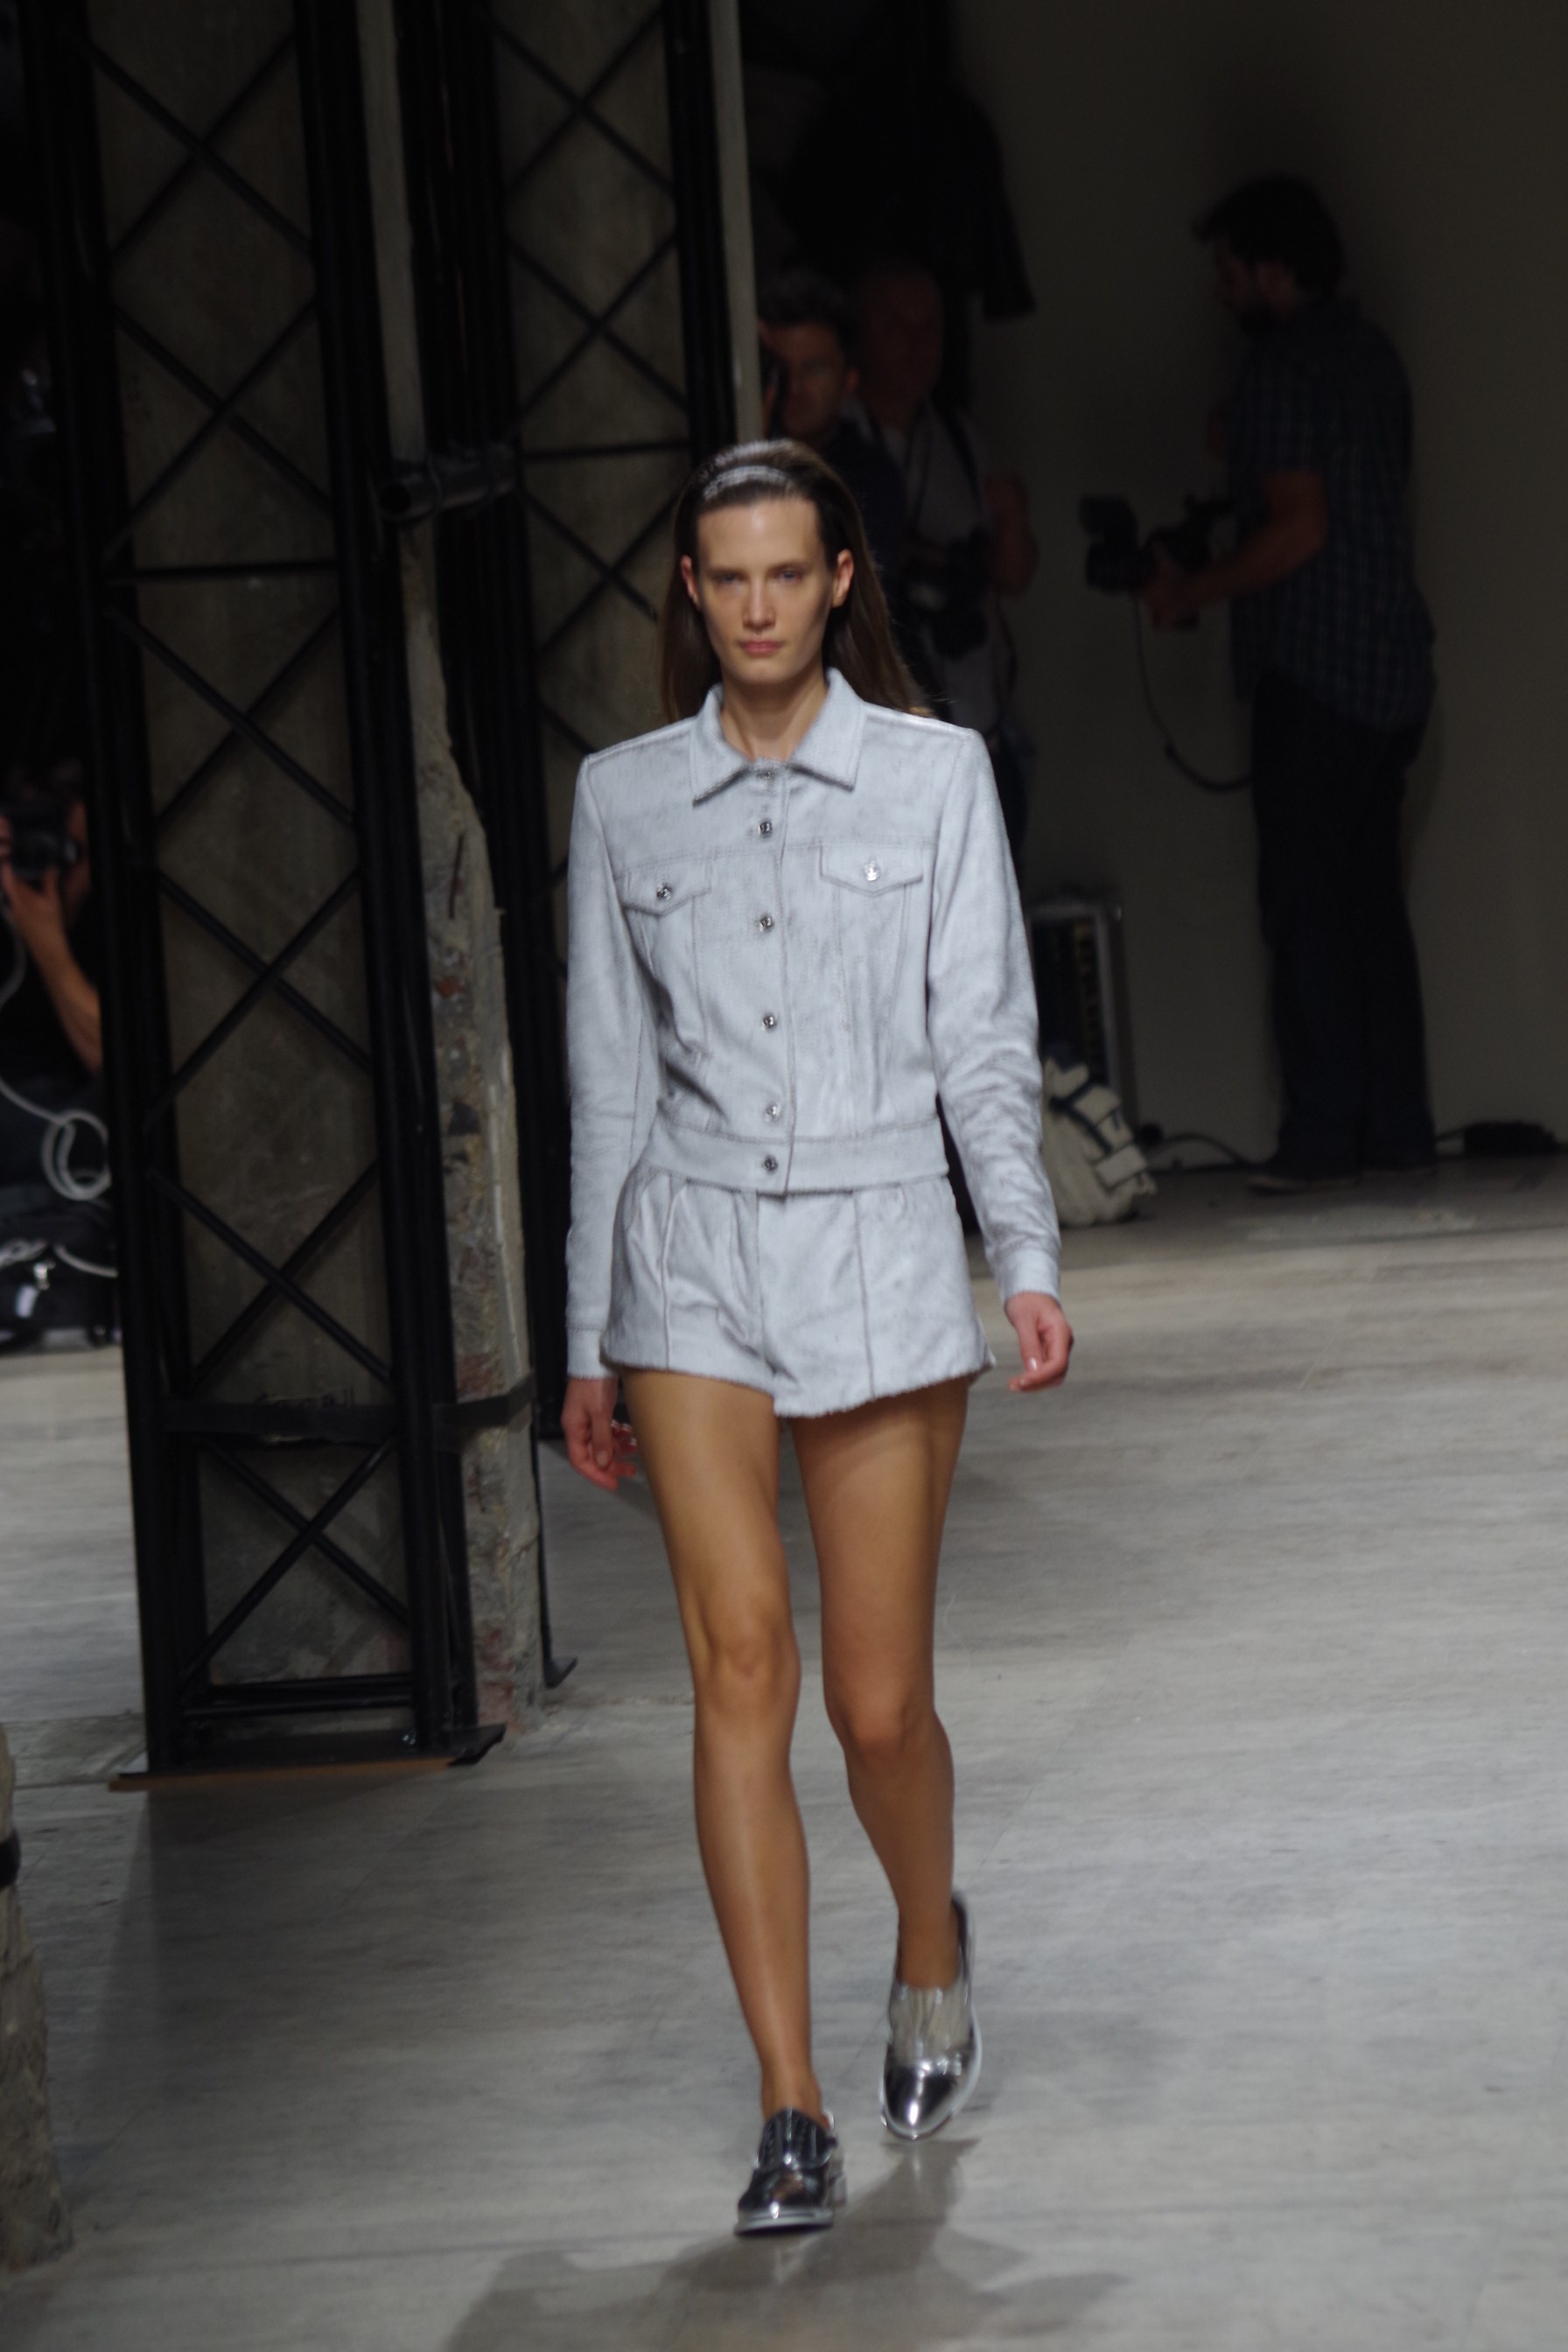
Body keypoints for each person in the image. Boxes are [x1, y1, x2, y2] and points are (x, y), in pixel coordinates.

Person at [561, 439, 1071, 2234]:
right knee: (738, 1666)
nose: (760, 607)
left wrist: (1023, 1255)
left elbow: (982, 1037)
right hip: (688, 1258)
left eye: (789, 574)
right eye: (730, 579)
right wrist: (586, 1336)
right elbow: (607, 1083)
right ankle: (788, 2108)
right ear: (690, 592)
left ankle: (927, 1942)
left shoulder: (932, 778)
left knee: (872, 1702)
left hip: (876, 1250)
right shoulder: (622, 800)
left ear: (839, 580)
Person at [1143, 177, 1437, 1190]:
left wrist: (1190, 591)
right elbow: (1358, 494)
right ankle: (1396, 1129)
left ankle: (1319, 1135)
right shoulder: (1370, 356)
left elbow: (1299, 528)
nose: (1219, 293)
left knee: (1306, 906)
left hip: (1313, 671)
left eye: (1228, 272)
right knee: (1371, 904)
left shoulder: (1275, 371)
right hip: (1394, 668)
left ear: (1271, 269)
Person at [850, 257, 1039, 869]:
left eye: (930, 326)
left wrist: (1013, 524)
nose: (917, 344)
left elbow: (1013, 578)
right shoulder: (835, 442)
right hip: (877, 755)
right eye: (895, 326)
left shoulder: (959, 436)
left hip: (975, 732)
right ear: (860, 332)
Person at [756, 266, 907, 592]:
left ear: (848, 382)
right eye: (778, 369)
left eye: (812, 369)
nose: (793, 387)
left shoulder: (871, 479)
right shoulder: (737, 452)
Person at [0, 766, 104, 1195]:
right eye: (26, 847)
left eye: (70, 853)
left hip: (64, 1184)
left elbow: (123, 1063)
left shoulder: (116, 936)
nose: (48, 867)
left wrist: (49, 947)